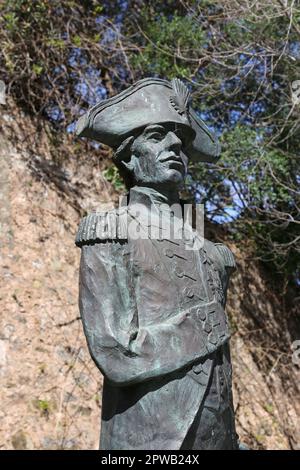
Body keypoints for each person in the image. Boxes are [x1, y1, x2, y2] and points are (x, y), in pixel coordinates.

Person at [75, 78, 238, 450]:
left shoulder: (207, 247)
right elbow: (116, 351)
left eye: (180, 136)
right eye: (157, 135)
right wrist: (202, 326)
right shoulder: (112, 230)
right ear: (129, 156)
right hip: (152, 439)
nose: (175, 144)